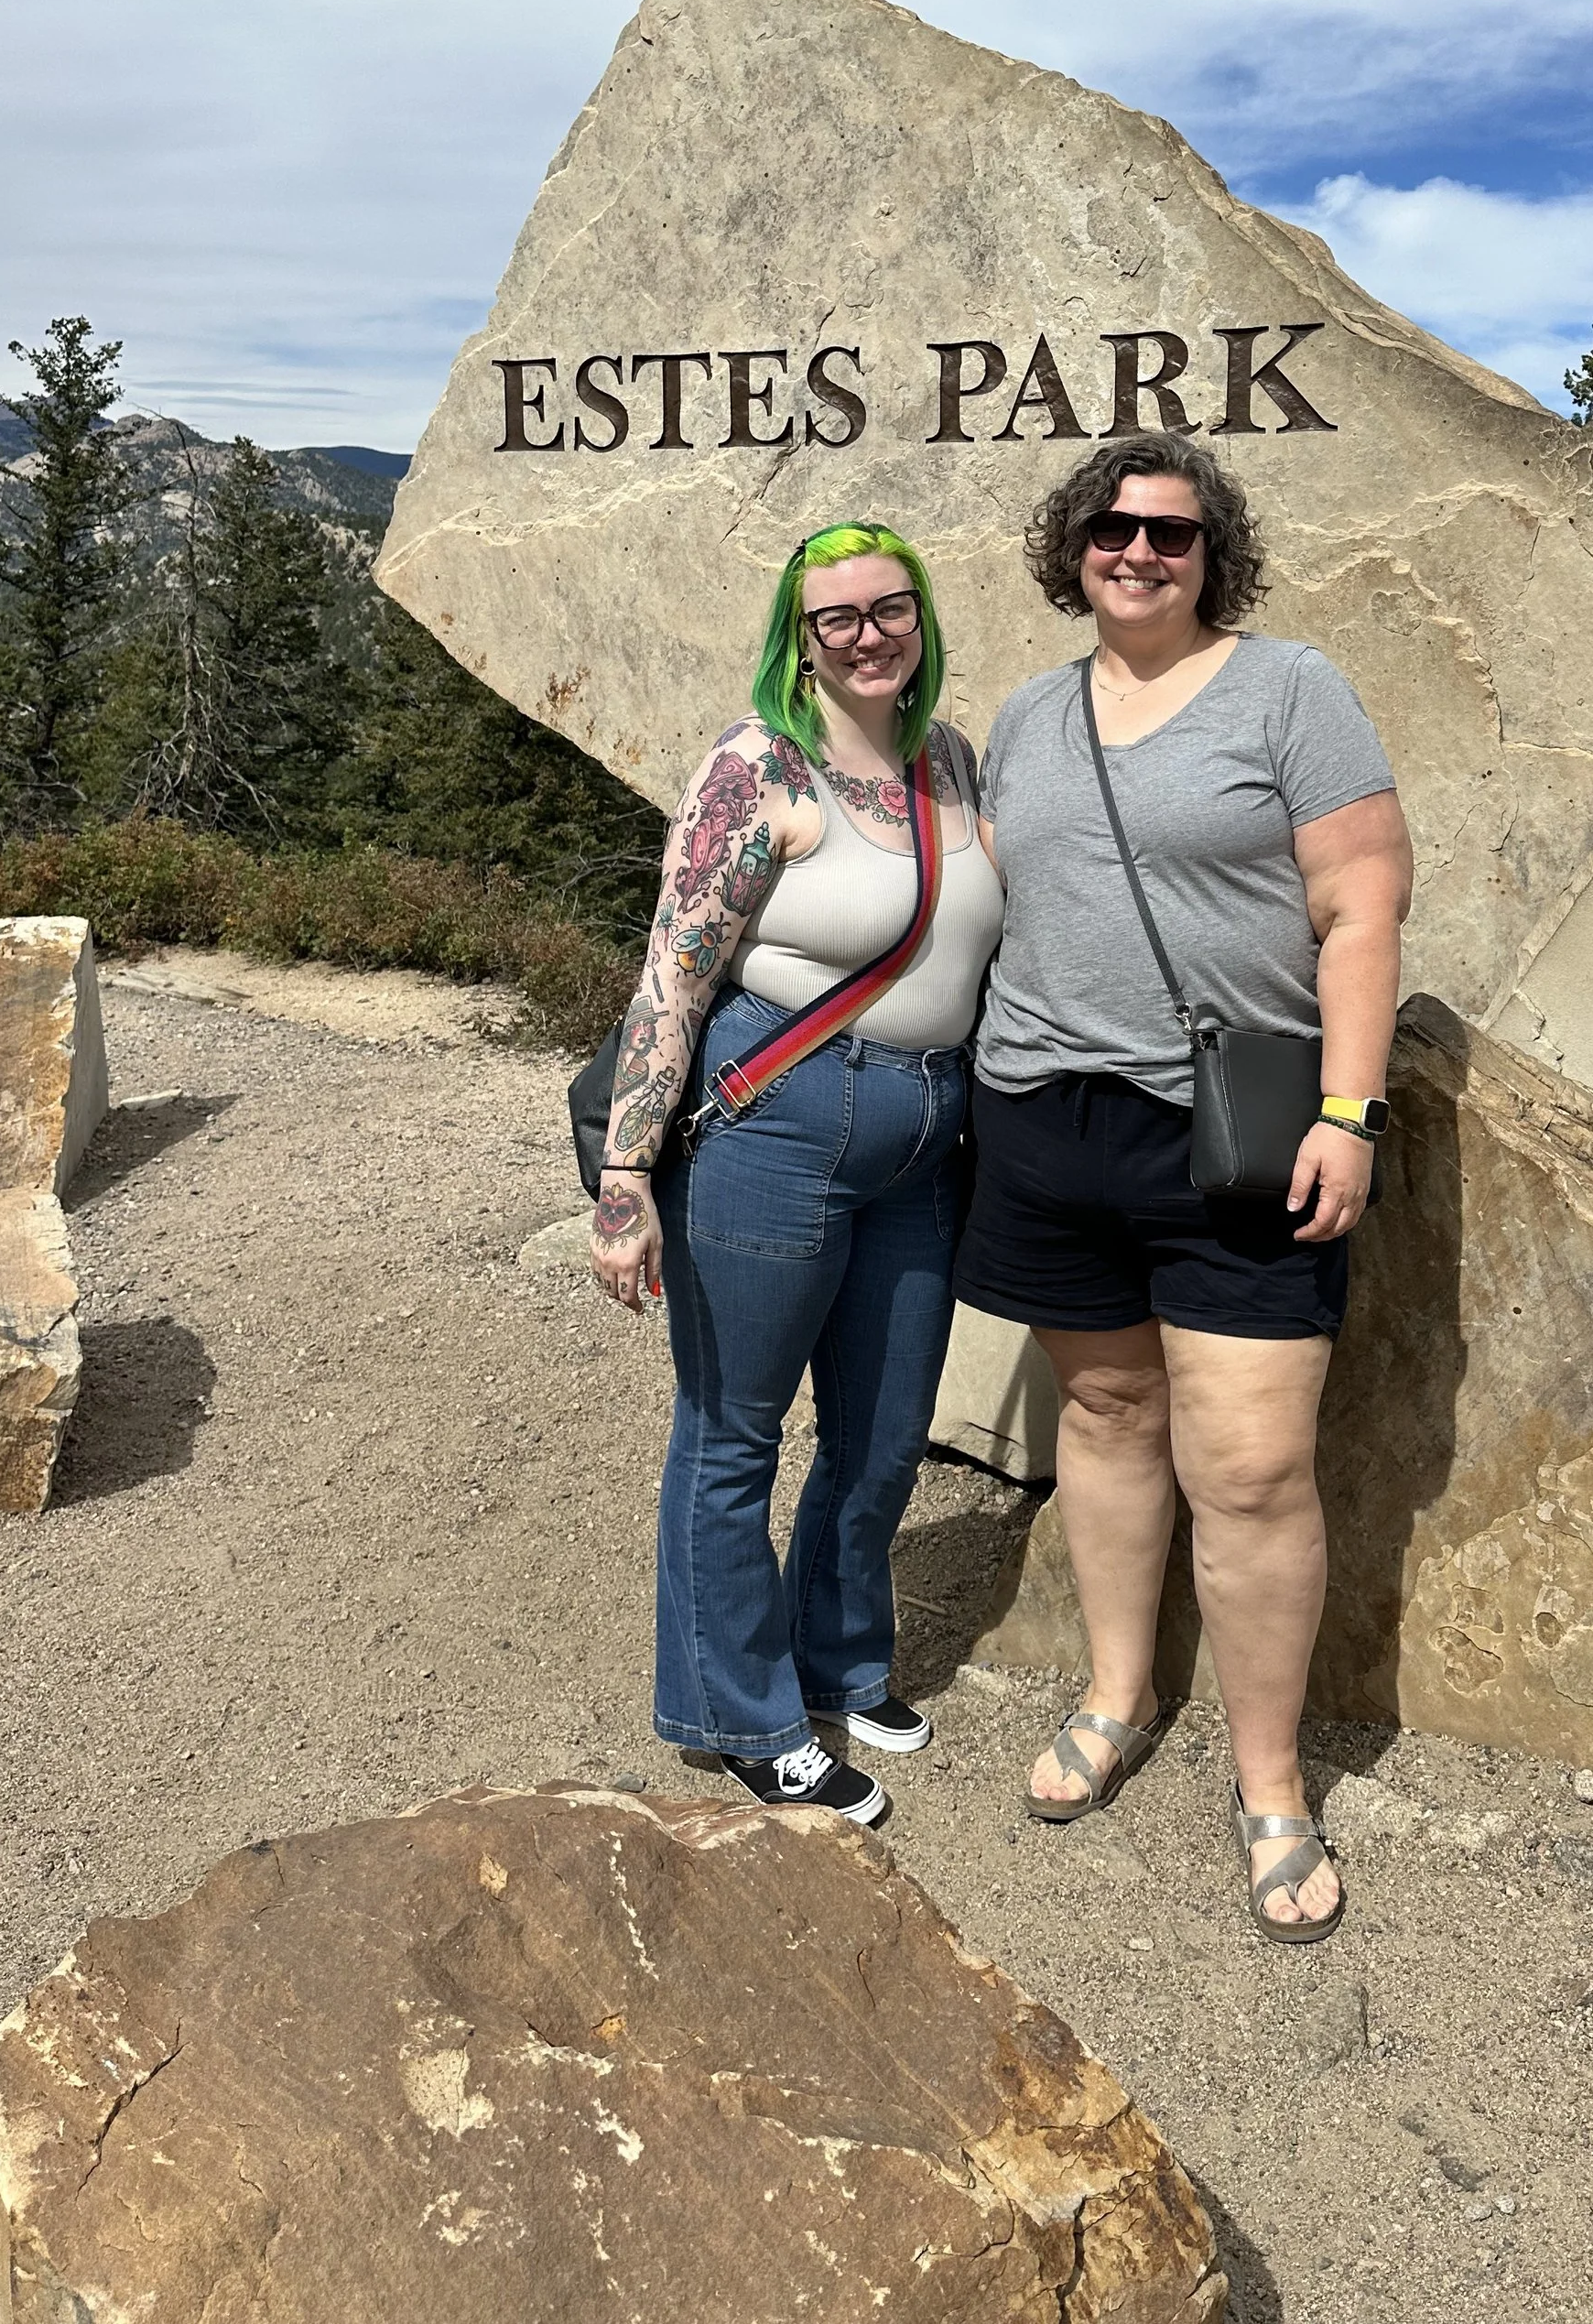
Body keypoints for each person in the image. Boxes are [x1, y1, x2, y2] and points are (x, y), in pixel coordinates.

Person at [954, 433, 1413, 1939]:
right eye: (1111, 527)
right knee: (1105, 1414)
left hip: (1234, 1137)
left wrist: (1351, 1109)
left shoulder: (1292, 692)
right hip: (1044, 1120)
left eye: (1171, 531)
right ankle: (1116, 1690)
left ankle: (1271, 1782)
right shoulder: (1028, 715)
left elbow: (1359, 909)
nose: (1138, 552)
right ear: (1070, 546)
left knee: (1256, 1468)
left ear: (1214, 554)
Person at [589, 524, 1003, 1824]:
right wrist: (625, 1173)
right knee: (734, 1438)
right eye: (840, 619)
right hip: (778, 1124)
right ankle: (741, 1711)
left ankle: (840, 1659)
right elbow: (673, 972)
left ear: (922, 619)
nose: (870, 634)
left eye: (893, 609)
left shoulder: (945, 759)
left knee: (882, 1437)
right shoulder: (757, 769)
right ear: (800, 638)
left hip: (926, 1137)